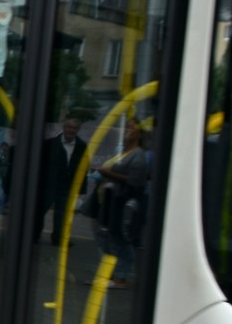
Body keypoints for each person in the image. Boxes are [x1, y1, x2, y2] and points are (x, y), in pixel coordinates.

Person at [93, 118, 154, 287]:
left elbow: (135, 181)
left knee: (118, 239)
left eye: (131, 127)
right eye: (126, 126)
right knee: (105, 236)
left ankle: (120, 275)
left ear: (140, 134)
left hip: (122, 203)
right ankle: (113, 273)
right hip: (109, 201)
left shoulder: (138, 155)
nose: (127, 130)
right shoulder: (124, 152)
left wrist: (107, 173)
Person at [35, 114, 86, 244]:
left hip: (67, 186)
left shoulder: (81, 146)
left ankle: (58, 238)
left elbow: (83, 167)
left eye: (74, 128)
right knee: (40, 210)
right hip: (49, 184)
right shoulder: (50, 144)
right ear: (64, 127)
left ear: (78, 130)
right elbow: (41, 165)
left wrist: (80, 188)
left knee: (62, 215)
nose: (71, 130)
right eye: (69, 127)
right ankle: (34, 235)